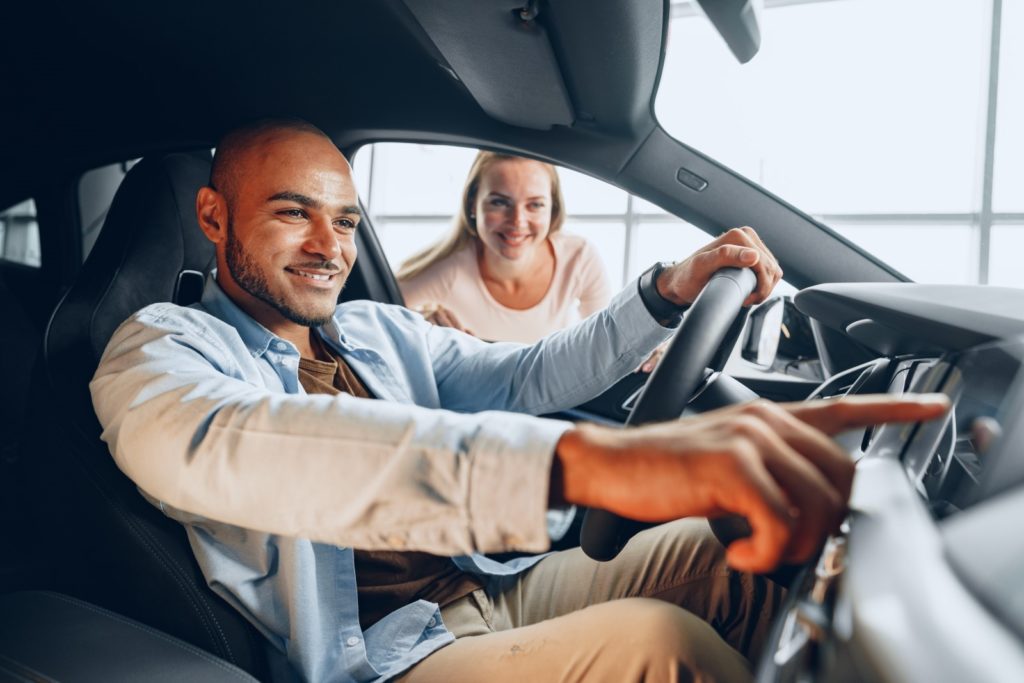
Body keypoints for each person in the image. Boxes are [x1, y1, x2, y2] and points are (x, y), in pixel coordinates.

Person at [91, 119, 947, 683]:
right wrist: (593, 463)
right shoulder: (161, 351)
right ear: (213, 215)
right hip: (384, 656)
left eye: (347, 222)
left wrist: (665, 292)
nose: (328, 247)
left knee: (740, 546)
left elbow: (530, 374)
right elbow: (259, 445)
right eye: (293, 214)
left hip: (483, 584)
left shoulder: (377, 331)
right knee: (662, 649)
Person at [397, 152, 611, 345]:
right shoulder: (446, 270)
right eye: (500, 203)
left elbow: (609, 339)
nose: (518, 221)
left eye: (535, 205)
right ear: (473, 205)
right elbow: (371, 313)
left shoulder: (579, 257)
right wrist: (416, 322)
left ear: (552, 209)